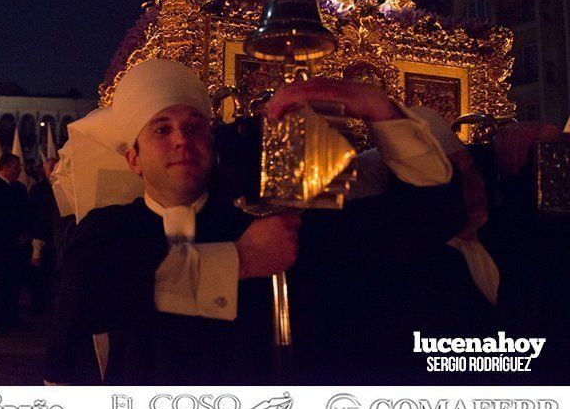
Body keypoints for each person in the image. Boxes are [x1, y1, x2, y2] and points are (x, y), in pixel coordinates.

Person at [45, 59, 457, 385]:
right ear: (133, 159)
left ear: (212, 141)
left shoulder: (264, 216)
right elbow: (89, 302)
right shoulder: (108, 229)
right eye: (161, 129)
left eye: (194, 126)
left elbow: (429, 217)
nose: (181, 140)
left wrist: (375, 107)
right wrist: (240, 260)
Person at [0, 153, 31, 335]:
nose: (20, 170)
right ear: (6, 167)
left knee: (13, 282)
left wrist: (24, 233)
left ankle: (11, 316)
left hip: (16, 245)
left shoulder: (19, 188)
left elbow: (26, 213)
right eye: (17, 166)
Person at [28, 157, 60, 314]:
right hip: (41, 237)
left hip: (55, 237)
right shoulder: (38, 190)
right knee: (39, 275)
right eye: (51, 168)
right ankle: (37, 304)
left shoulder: (61, 187)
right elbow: (35, 216)